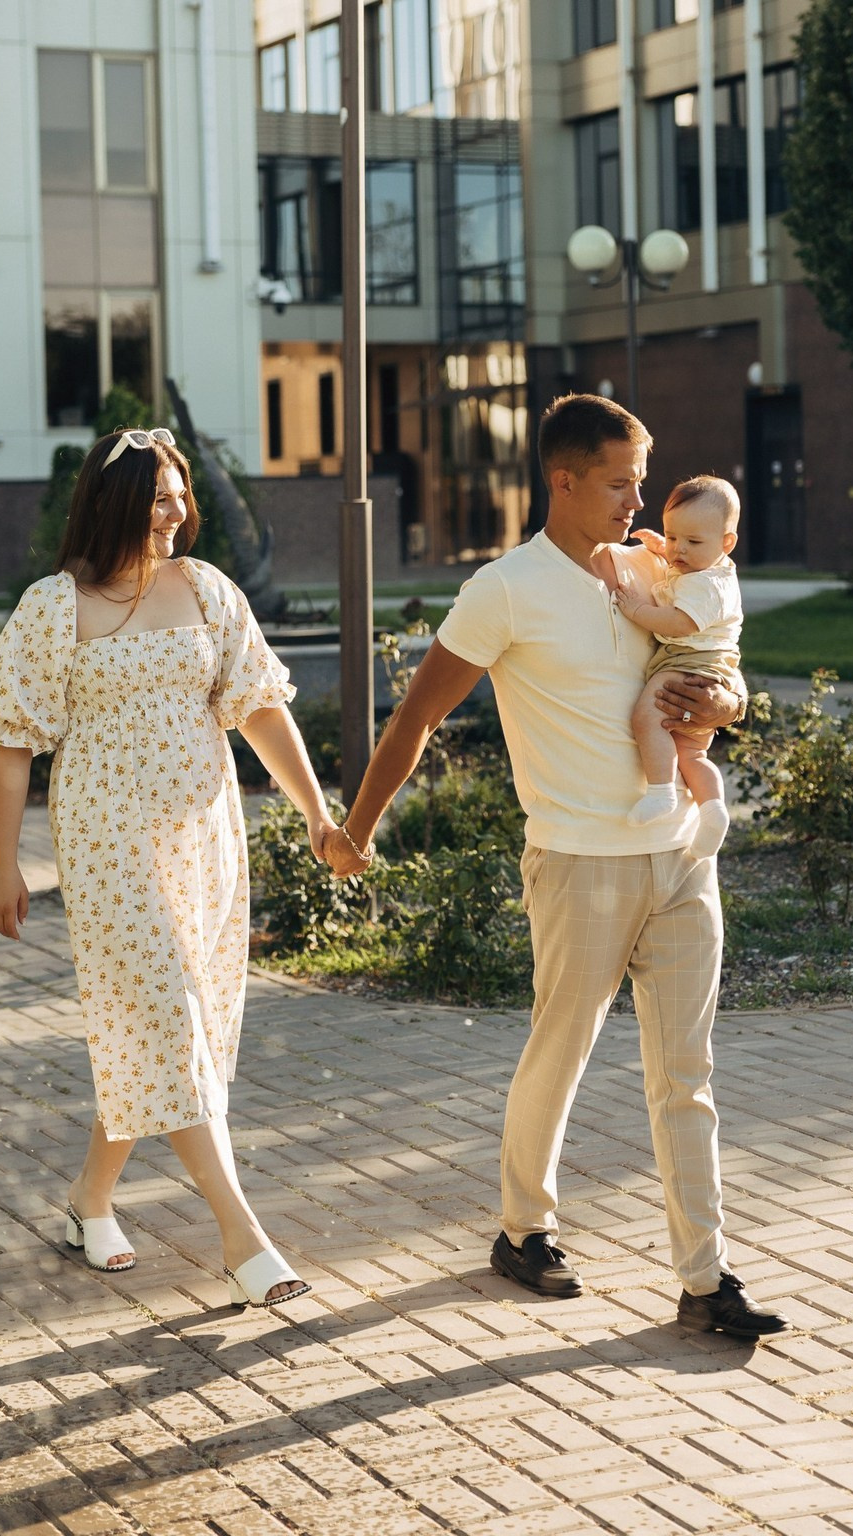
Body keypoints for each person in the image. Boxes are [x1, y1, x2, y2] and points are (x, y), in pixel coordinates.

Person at [324, 395, 785, 1340]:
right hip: (579, 863)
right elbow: (415, 717)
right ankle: (524, 1229)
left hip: (679, 860)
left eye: (641, 482)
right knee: (561, 1052)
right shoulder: (505, 589)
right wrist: (358, 829)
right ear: (563, 480)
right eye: (618, 482)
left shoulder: (654, 566)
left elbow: (715, 659)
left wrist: (726, 706)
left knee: (686, 1076)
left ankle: (707, 1278)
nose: (635, 500)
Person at [0, 426, 335, 1309]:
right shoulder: (54, 606)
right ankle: (242, 1236)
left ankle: (89, 1200)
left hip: (204, 837)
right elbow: (12, 745)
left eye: (181, 494)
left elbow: (258, 711)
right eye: (159, 497)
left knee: (175, 1024)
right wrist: (0, 867)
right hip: (107, 843)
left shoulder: (209, 590)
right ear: (116, 504)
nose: (178, 511)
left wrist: (319, 815)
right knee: (168, 1022)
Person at [616, 476, 743, 859]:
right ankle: (714, 811)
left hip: (691, 662)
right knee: (691, 754)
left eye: (692, 542)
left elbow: (680, 623)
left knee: (647, 716)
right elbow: (676, 564)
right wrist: (660, 548)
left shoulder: (707, 584)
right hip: (709, 666)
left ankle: (660, 791)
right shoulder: (702, 567)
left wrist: (638, 611)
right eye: (673, 537)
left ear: (726, 543)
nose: (678, 551)